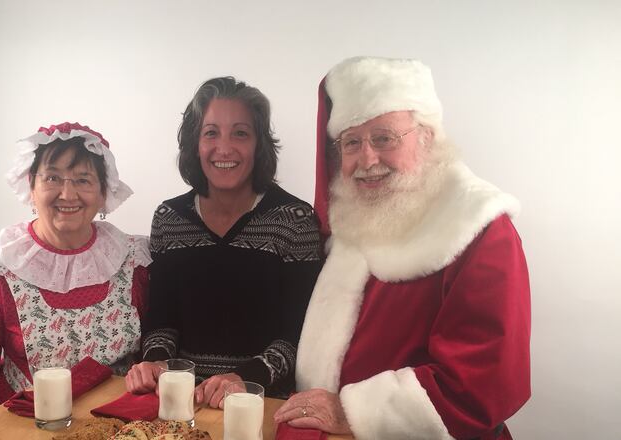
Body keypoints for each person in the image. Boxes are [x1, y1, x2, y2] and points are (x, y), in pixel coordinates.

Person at [274, 57, 531, 439]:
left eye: (384, 138)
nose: (367, 160)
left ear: (427, 137)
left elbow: (483, 383)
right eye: (352, 143)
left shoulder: (481, 230)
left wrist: (351, 412)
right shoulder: (354, 220)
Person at [124, 77, 323, 408]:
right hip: (179, 400)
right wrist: (157, 361)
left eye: (240, 133)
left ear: (259, 144)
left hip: (260, 400)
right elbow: (162, 318)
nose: (224, 148)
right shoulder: (170, 218)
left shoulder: (294, 220)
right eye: (211, 133)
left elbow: (298, 335)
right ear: (194, 143)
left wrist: (244, 378)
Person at [0, 122, 150, 423]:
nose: (67, 194)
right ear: (31, 185)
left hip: (119, 425)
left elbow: (153, 354)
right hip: (30, 427)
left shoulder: (135, 260)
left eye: (83, 180)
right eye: (53, 177)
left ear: (104, 190)